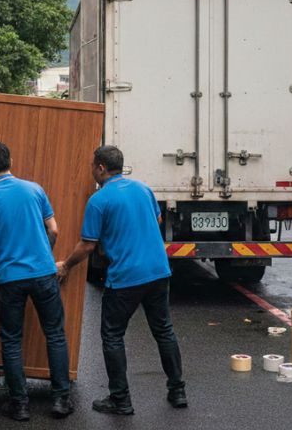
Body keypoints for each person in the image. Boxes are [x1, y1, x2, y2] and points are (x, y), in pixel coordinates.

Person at [57, 145, 187, 415]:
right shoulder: (143, 188)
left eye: (93, 166)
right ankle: (178, 391)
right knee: (163, 330)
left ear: (101, 168)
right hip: (159, 271)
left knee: (113, 335)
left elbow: (87, 245)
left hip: (126, 277)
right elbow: (158, 218)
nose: (92, 170)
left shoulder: (99, 200)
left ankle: (120, 399)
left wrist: (66, 265)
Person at [0, 141, 73, 422]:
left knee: (12, 340)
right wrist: (43, 255)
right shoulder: (34, 189)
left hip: (9, 278)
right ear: (11, 161)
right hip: (43, 273)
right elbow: (54, 229)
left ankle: (20, 404)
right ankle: (61, 400)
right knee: (54, 334)